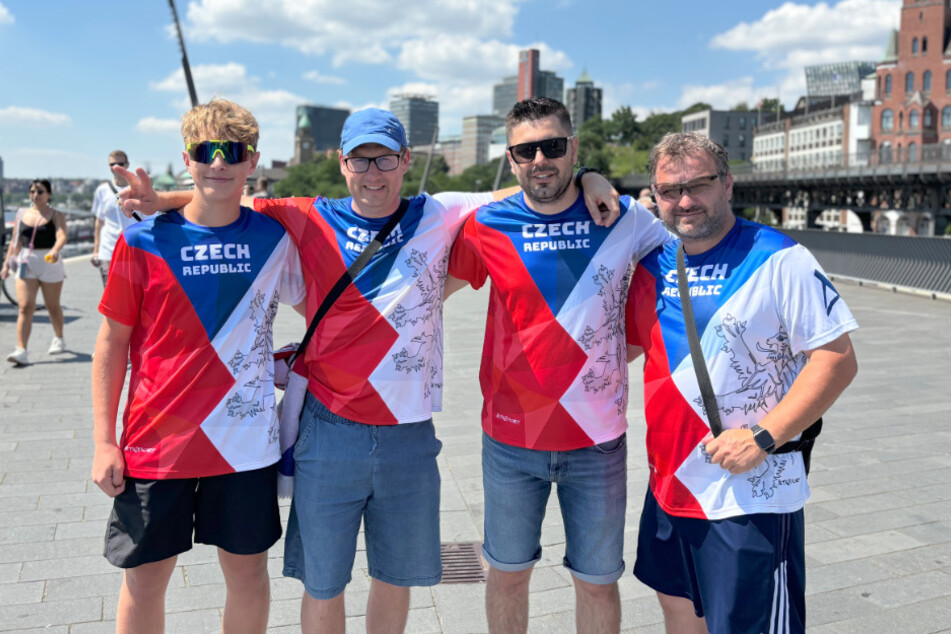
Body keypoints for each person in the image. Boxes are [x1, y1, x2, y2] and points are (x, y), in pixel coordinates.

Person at [114, 106, 619, 634]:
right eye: (361, 160)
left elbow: (531, 188)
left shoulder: (439, 213)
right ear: (342, 163)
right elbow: (223, 194)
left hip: (409, 435)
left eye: (384, 159)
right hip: (329, 429)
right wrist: (159, 201)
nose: (372, 173)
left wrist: (586, 176)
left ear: (406, 161)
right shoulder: (308, 215)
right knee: (324, 584)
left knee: (394, 579)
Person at [446, 97, 670, 633]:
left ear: (574, 148)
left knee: (597, 580)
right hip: (509, 438)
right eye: (527, 150)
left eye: (553, 146)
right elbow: (422, 296)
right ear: (511, 158)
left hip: (596, 440)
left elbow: (697, 260)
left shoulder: (623, 217)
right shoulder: (486, 225)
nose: (540, 159)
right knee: (506, 573)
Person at [624, 132, 859, 633]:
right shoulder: (651, 268)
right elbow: (624, 352)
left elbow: (836, 359)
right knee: (678, 611)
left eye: (699, 184)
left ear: (727, 184)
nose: (684, 200)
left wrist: (762, 436)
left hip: (748, 489)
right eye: (669, 190)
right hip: (670, 485)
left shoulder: (779, 256)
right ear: (655, 197)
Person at [91, 99, 306, 634]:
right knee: (143, 579)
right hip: (157, 440)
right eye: (204, 151)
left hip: (246, 441)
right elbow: (111, 344)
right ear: (186, 157)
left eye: (231, 152)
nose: (218, 163)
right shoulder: (143, 240)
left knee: (248, 573)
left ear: (252, 160)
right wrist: (102, 440)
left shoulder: (275, 236)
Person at [1, 179, 68, 366]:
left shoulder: (56, 215)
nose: (35, 195)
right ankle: (21, 350)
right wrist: (6, 264)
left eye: (39, 191)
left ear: (48, 194)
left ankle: (59, 337)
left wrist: (55, 250)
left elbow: (62, 235)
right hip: (26, 262)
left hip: (49, 262)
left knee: (52, 306)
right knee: (25, 307)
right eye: (32, 191)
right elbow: (15, 242)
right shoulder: (21, 214)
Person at [90, 150, 146, 287]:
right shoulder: (102, 190)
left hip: (134, 250)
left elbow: (148, 220)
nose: (116, 167)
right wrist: (96, 250)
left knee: (134, 293)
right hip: (108, 250)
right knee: (111, 294)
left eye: (120, 164)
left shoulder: (139, 189)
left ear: (127, 165)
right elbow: (99, 222)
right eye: (112, 164)